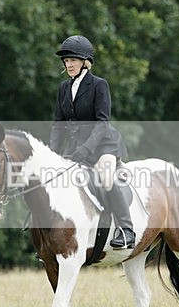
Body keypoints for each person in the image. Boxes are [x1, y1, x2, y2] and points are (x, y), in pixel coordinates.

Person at [49, 35, 136, 249]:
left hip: (103, 145)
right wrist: (51, 155)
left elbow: (102, 122)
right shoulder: (63, 88)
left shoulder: (99, 85)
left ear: (85, 62)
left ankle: (126, 230)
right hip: (75, 147)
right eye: (66, 61)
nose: (68, 64)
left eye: (73, 60)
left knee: (105, 178)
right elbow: (58, 125)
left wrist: (87, 149)